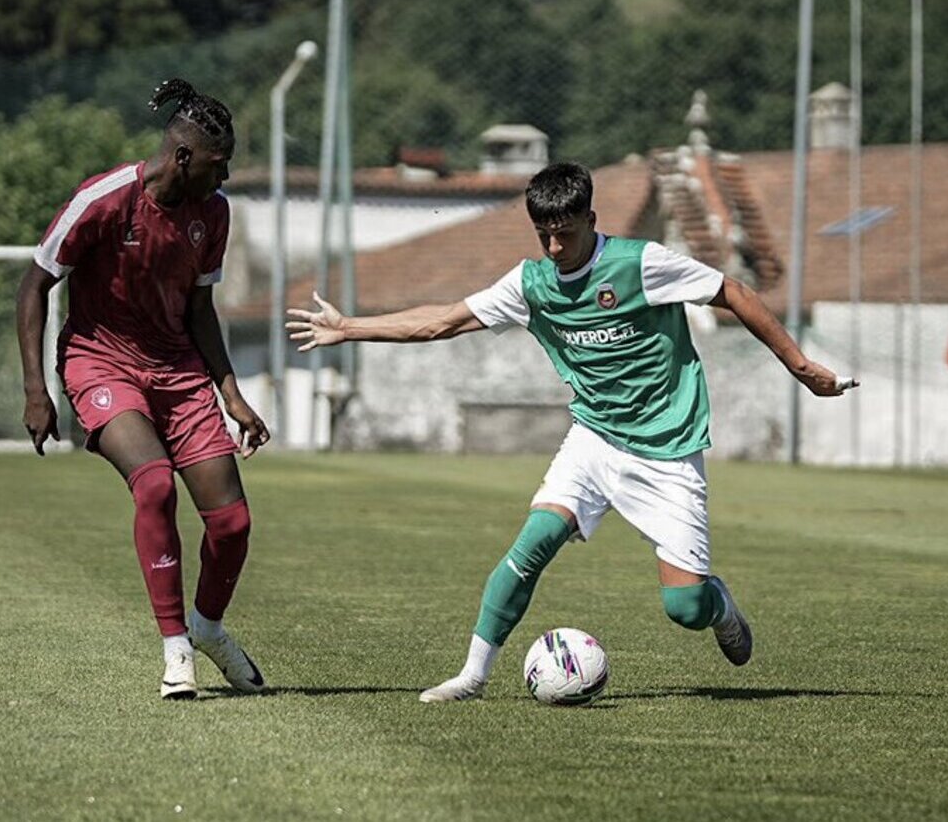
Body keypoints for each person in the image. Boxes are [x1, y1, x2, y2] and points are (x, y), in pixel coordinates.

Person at [286, 162, 856, 703]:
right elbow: (443, 321)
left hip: (668, 450)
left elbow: (733, 291)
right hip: (593, 438)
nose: (555, 249)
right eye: (543, 236)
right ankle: (472, 674)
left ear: (590, 219)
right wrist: (350, 328)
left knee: (684, 607)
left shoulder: (642, 264)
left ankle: (720, 606)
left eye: (564, 234)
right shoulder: (532, 283)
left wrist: (799, 365)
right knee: (532, 544)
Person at [16, 78, 270, 700]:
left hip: (179, 372)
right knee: (154, 483)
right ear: (183, 157)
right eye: (219, 164)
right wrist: (36, 389)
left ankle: (209, 629)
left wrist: (230, 392)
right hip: (100, 362)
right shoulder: (103, 199)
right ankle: (175, 645)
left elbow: (201, 308)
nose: (226, 177)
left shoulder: (214, 213)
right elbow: (32, 287)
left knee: (232, 523)